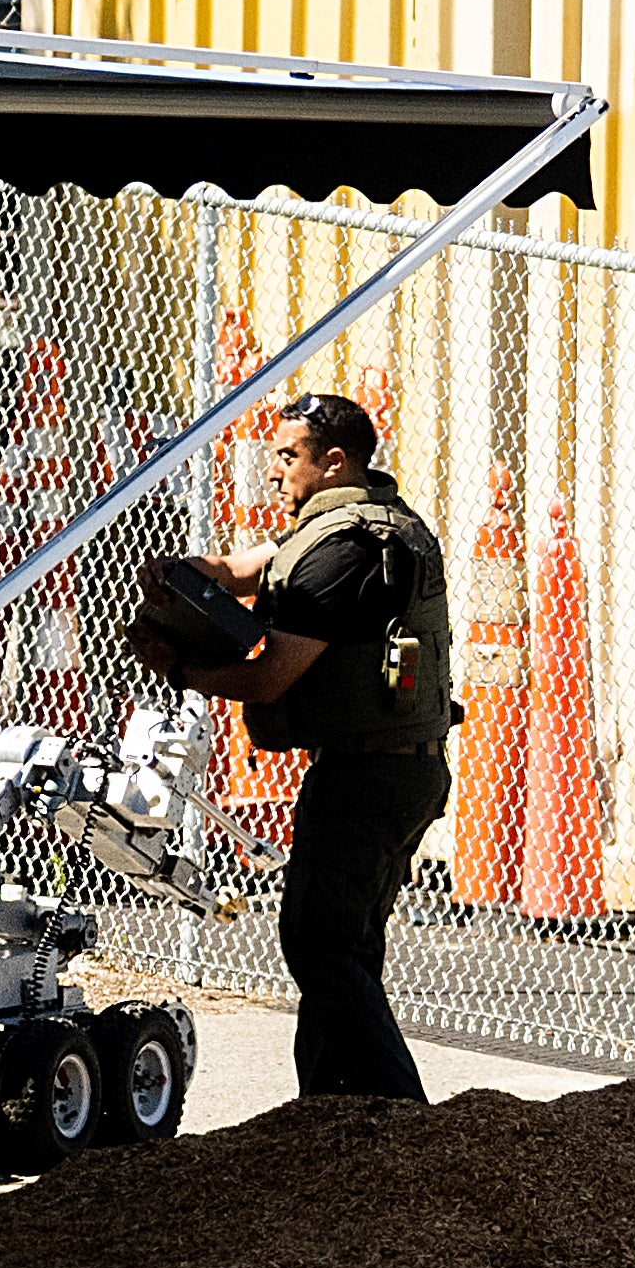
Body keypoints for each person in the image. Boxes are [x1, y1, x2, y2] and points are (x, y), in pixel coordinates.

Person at [127, 392, 453, 1103]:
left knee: (319, 944)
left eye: (286, 456)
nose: (273, 472)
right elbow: (240, 571)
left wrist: (179, 669)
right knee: (341, 948)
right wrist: (185, 576)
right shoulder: (354, 523)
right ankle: (332, 1111)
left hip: (370, 778)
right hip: (386, 770)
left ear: (331, 461)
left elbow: (271, 676)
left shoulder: (342, 552)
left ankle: (398, 1116)